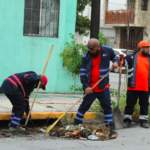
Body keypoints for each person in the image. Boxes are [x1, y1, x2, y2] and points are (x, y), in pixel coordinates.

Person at [74, 38, 120, 134]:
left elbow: (115, 58)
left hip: (103, 86)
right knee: (84, 106)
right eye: (89, 49)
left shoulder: (107, 50)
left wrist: (116, 62)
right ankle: (77, 123)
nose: (90, 51)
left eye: (92, 49)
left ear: (98, 47)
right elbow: (82, 74)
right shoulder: (86, 56)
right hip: (91, 88)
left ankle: (108, 127)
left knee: (107, 107)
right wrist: (86, 86)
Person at [123, 40, 150, 128]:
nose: (148, 49)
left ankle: (143, 121)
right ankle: (127, 120)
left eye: (148, 48)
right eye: (146, 48)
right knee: (130, 104)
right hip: (133, 86)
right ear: (141, 48)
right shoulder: (131, 57)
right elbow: (123, 63)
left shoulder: (149, 58)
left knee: (144, 104)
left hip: (146, 87)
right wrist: (120, 59)